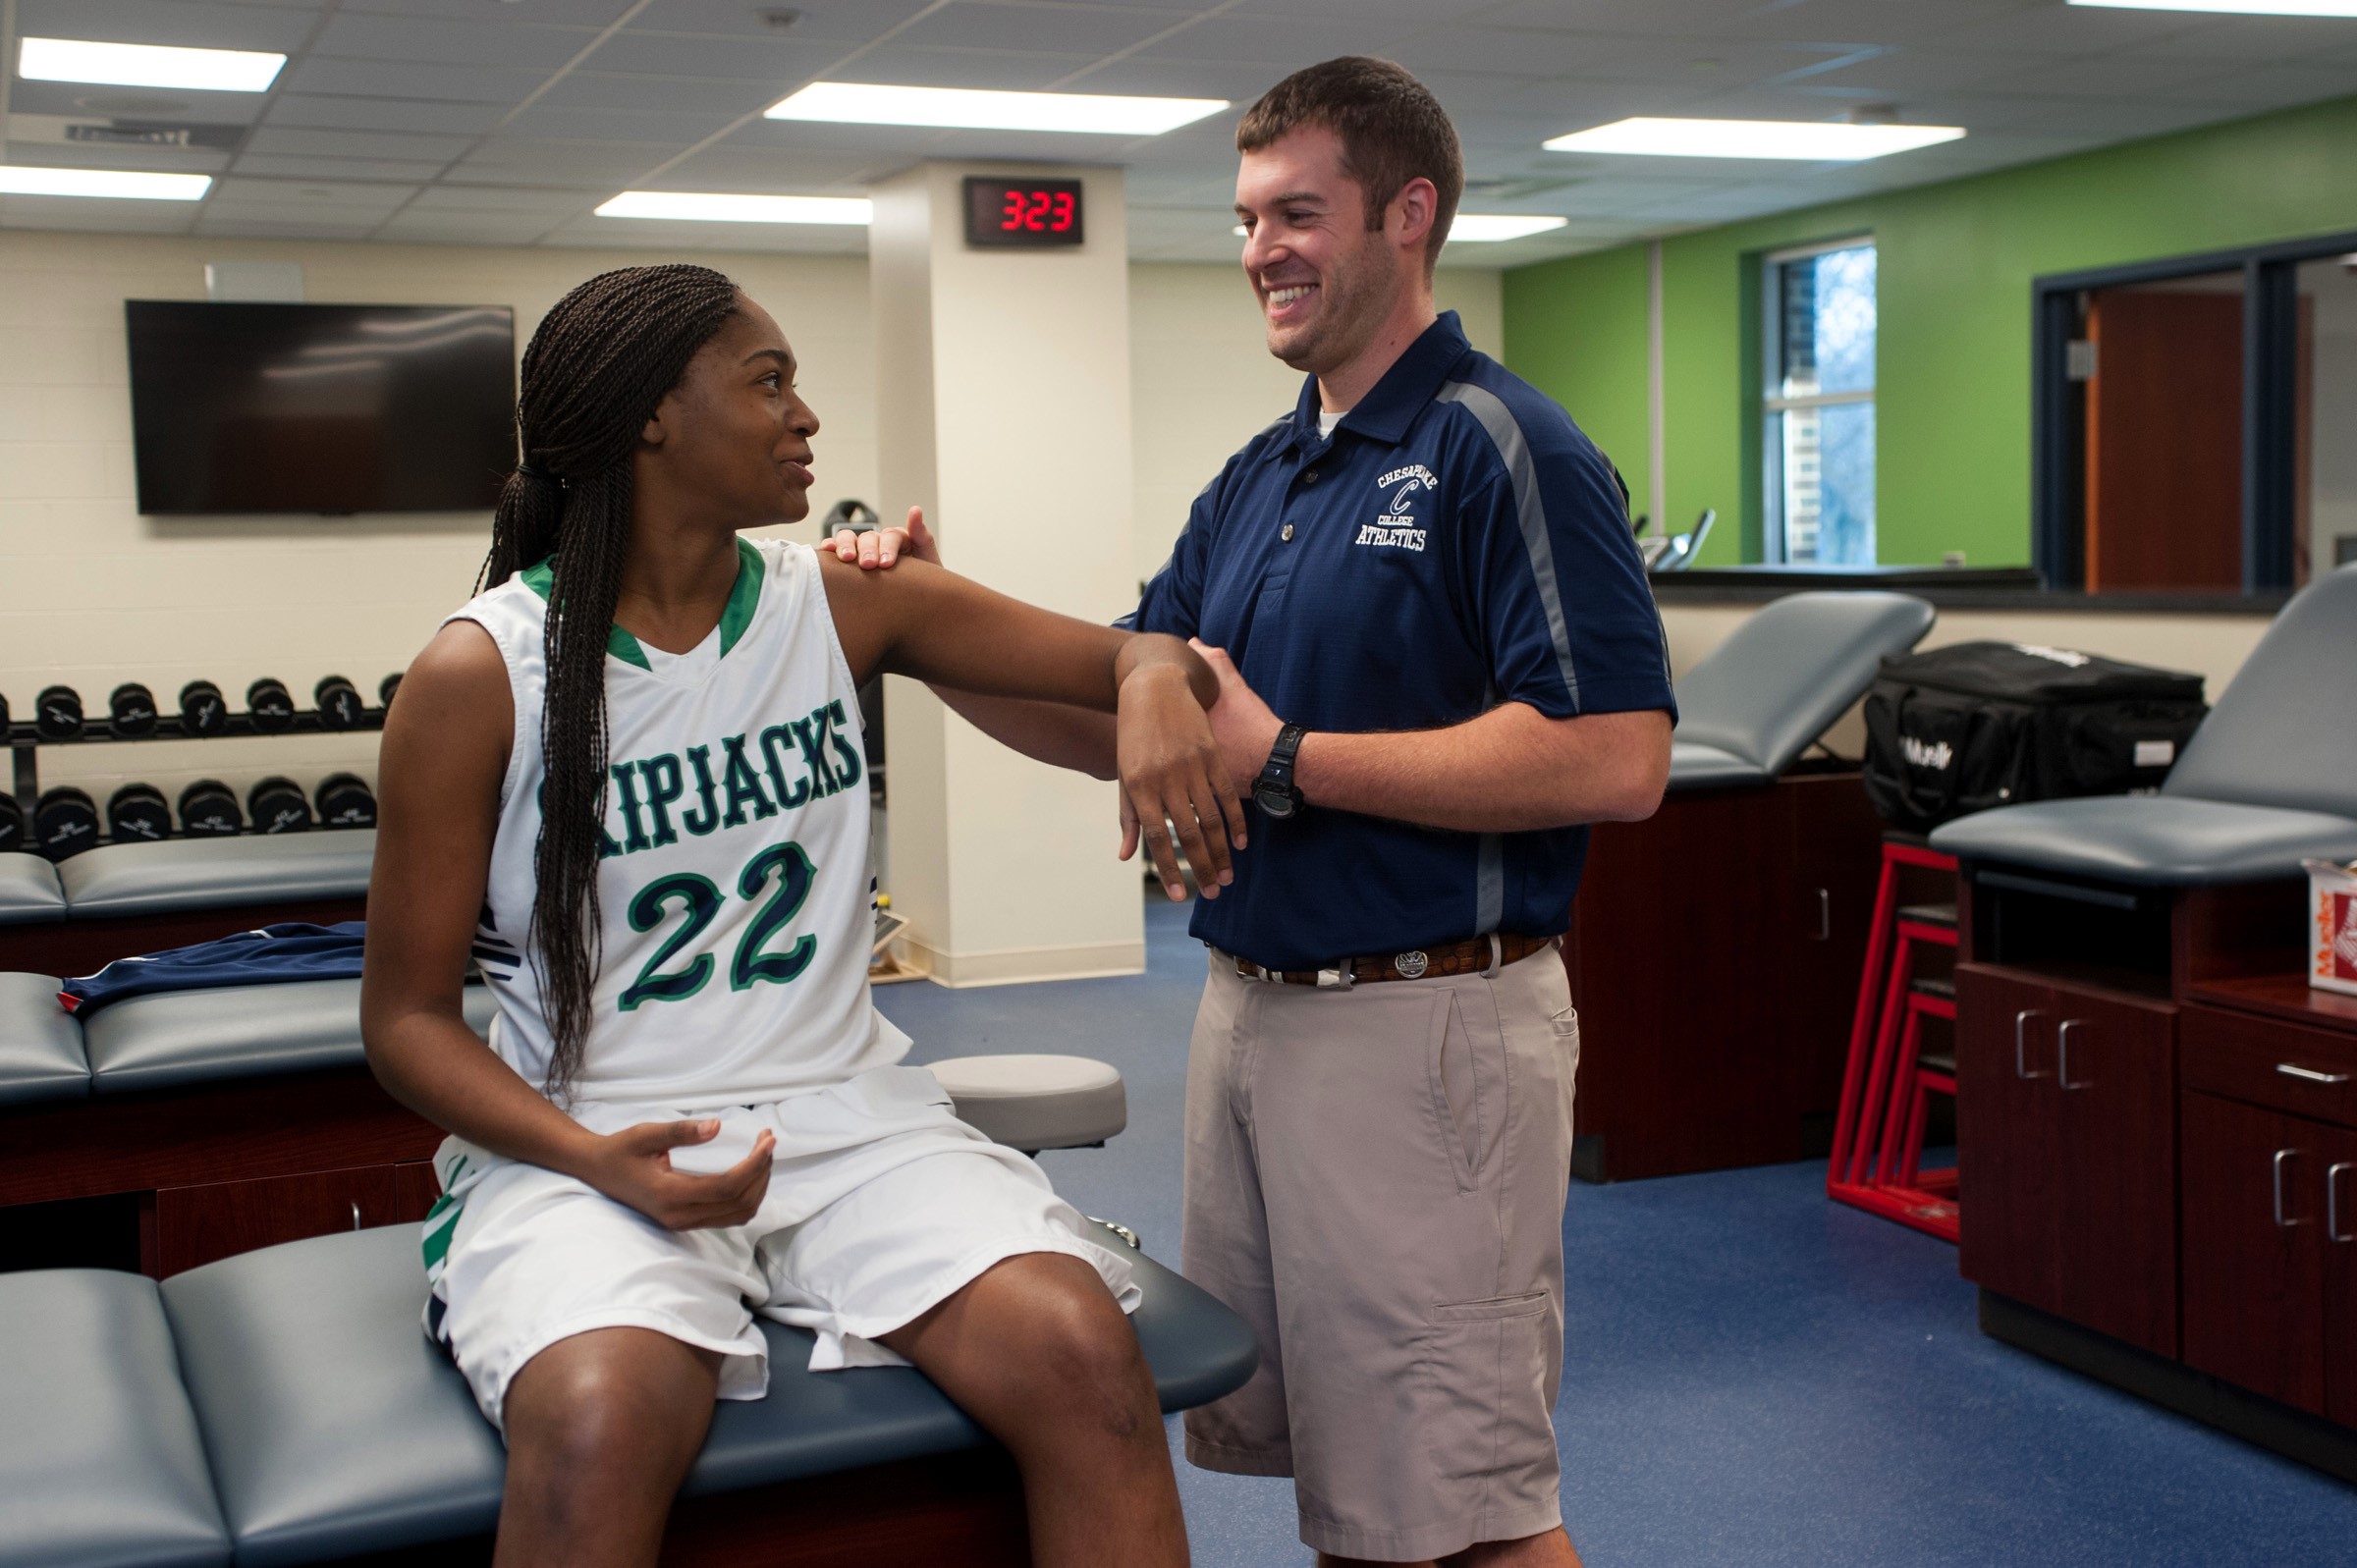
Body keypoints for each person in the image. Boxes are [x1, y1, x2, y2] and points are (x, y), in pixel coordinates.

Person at [834, 57, 1674, 1568]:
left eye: (1298, 212)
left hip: (1427, 1033)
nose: (1259, 250)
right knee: (1357, 1501)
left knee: (1465, 1509)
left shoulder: (1503, 444)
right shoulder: (1265, 475)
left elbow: (1616, 754)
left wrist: (1285, 754)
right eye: (1242, 217)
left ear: (1408, 215)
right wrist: (930, 631)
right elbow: (1121, 722)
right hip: (1255, 1017)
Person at [360, 263, 1246, 1568]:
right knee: (601, 1420)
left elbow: (1124, 652)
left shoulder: (842, 601)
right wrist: (593, 1159)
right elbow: (406, 1020)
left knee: (1079, 1347)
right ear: (649, 415)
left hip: (846, 1117)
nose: (806, 415)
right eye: (768, 381)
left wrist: (1156, 675)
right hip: (594, 1141)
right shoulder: (479, 672)